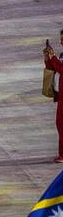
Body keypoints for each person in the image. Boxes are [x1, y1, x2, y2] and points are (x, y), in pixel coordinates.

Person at [44, 33, 63, 162]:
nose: (61, 42)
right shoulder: (61, 55)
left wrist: (53, 57)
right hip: (61, 94)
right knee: (60, 124)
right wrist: (47, 58)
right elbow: (53, 69)